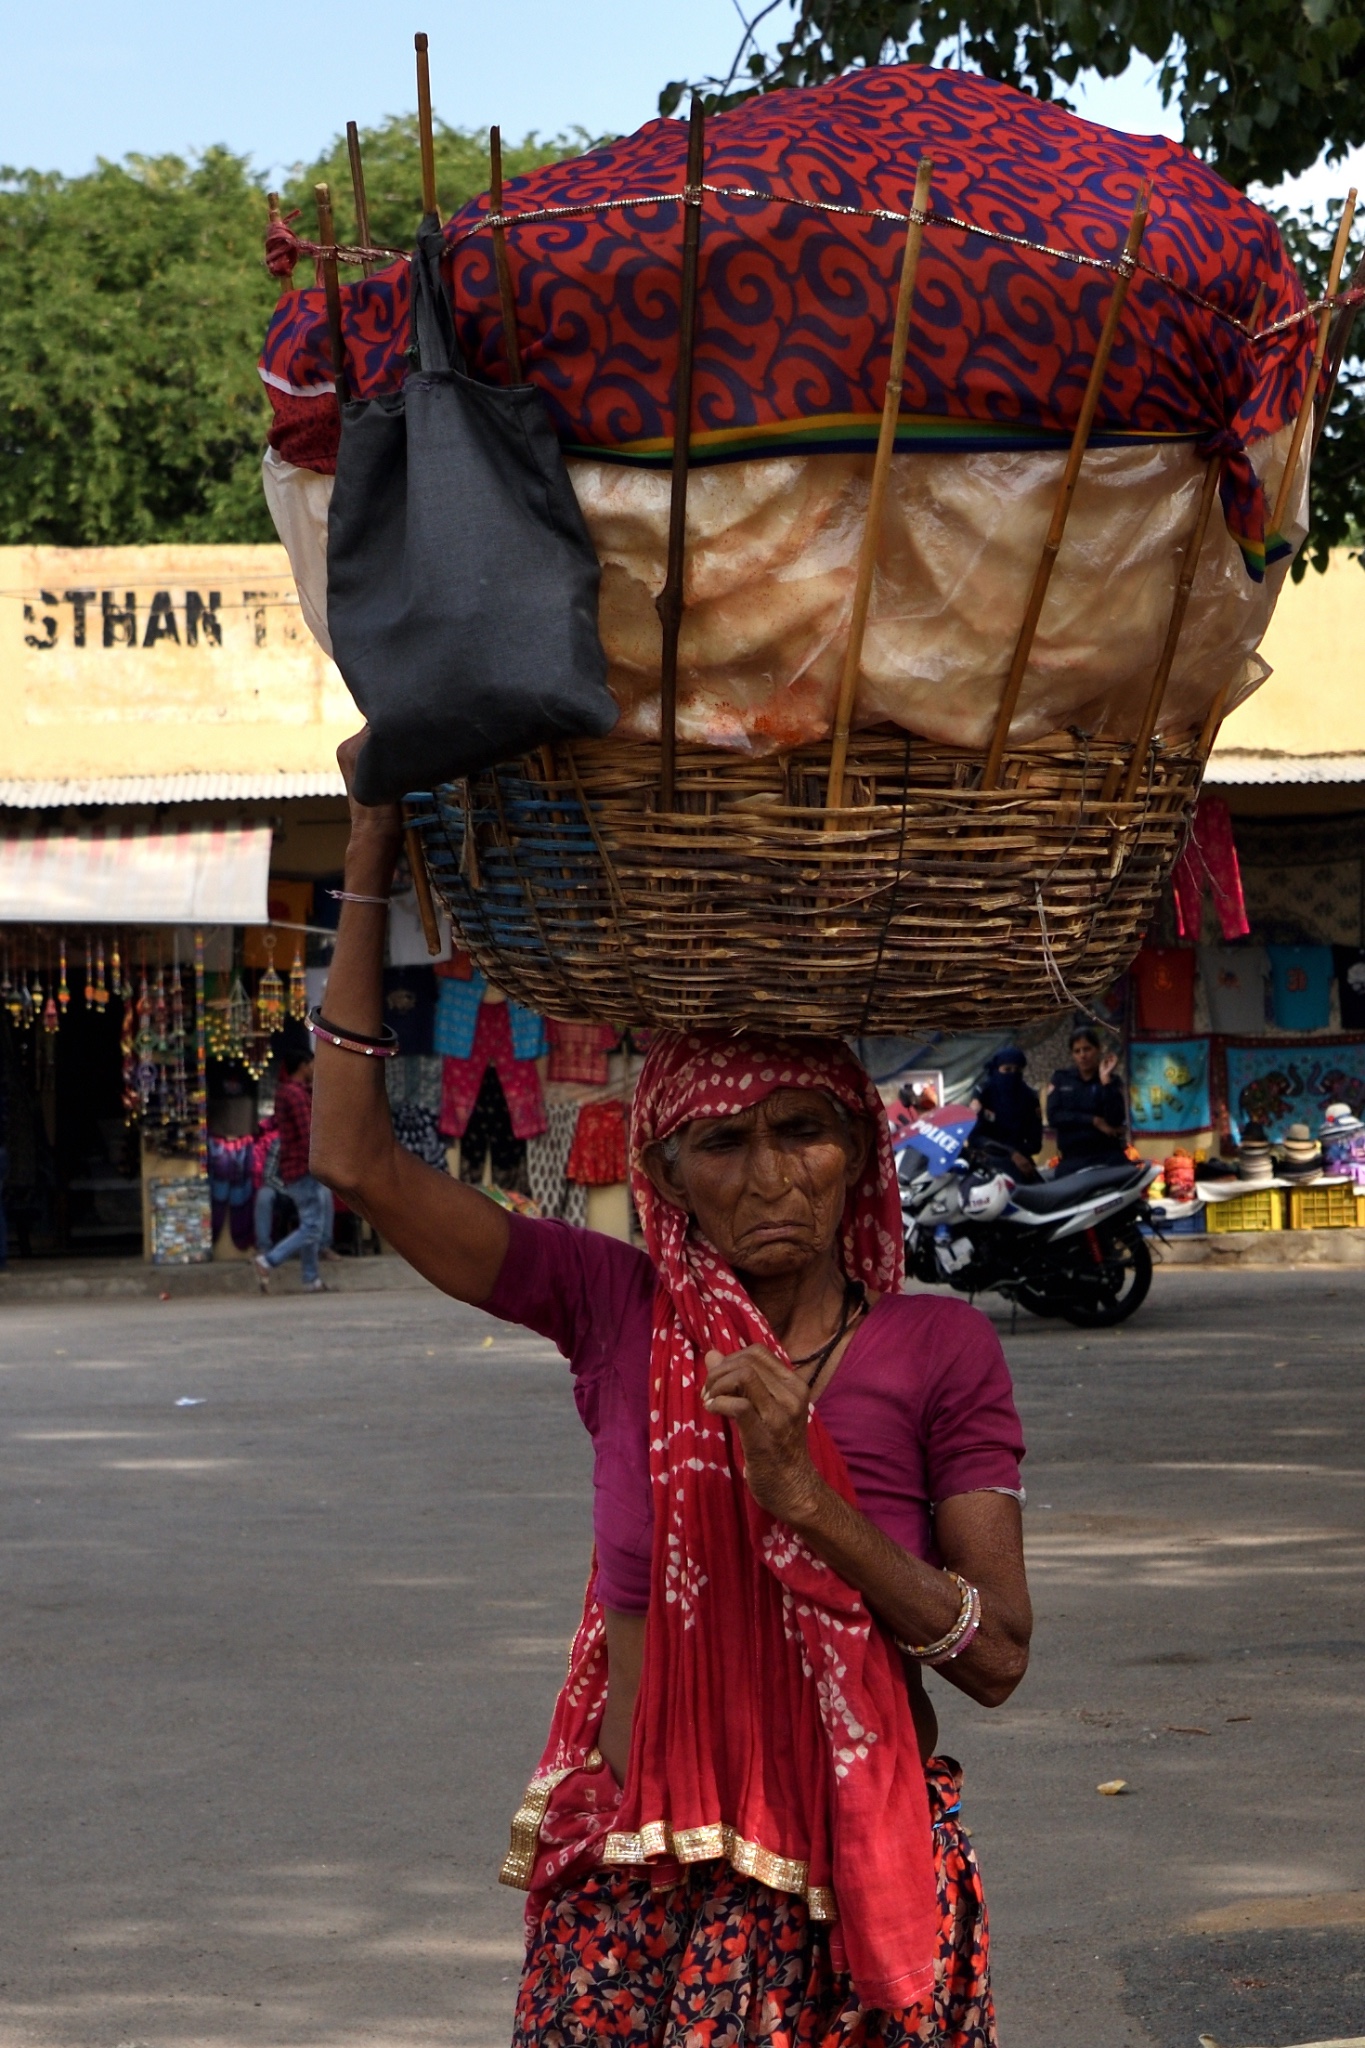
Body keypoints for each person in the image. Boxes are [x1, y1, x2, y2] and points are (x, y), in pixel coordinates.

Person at [309, 732, 1033, 2046]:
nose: (767, 1178)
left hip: (847, 1882)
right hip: (632, 1882)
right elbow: (355, 1157)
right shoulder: (617, 1308)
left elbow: (994, 1656)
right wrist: (367, 843)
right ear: (669, 1172)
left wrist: (811, 1502)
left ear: (858, 1155)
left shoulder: (938, 1350)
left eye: (802, 1132)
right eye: (723, 1143)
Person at [252, 1049, 333, 1292]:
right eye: (313, 1064)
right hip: (303, 1166)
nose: (316, 1069)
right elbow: (309, 1134)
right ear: (303, 1066)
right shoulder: (295, 1095)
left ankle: (311, 1278)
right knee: (311, 1226)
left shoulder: (294, 1092)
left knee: (311, 1222)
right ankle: (269, 1260)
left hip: (298, 1167)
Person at [1046, 1027, 1128, 1177]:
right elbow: (1054, 1117)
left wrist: (1105, 1081)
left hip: (1107, 1156)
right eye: (1077, 1051)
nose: (1082, 1055)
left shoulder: (1111, 1081)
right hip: (1073, 1159)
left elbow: (1115, 1119)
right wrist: (1094, 1121)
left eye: (1087, 1049)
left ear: (1098, 1049)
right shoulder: (1061, 1079)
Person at [969, 1047, 1042, 1177]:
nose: (1012, 1075)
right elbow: (975, 1138)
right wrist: (1010, 1153)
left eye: (1017, 1070)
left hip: (1020, 1162)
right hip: (986, 1162)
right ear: (997, 1070)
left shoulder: (1029, 1097)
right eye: (1007, 1070)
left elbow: (1035, 1143)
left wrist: (1017, 1154)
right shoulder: (983, 1094)